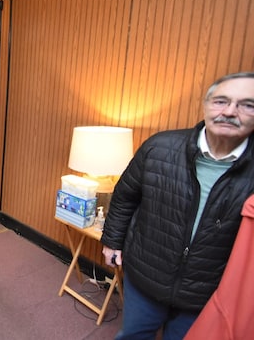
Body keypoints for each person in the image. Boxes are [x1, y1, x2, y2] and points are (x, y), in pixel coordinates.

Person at [100, 71, 254, 340]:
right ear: (206, 105)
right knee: (133, 334)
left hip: (207, 290)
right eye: (221, 101)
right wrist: (112, 241)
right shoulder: (160, 147)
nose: (230, 111)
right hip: (146, 274)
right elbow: (125, 195)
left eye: (247, 105)